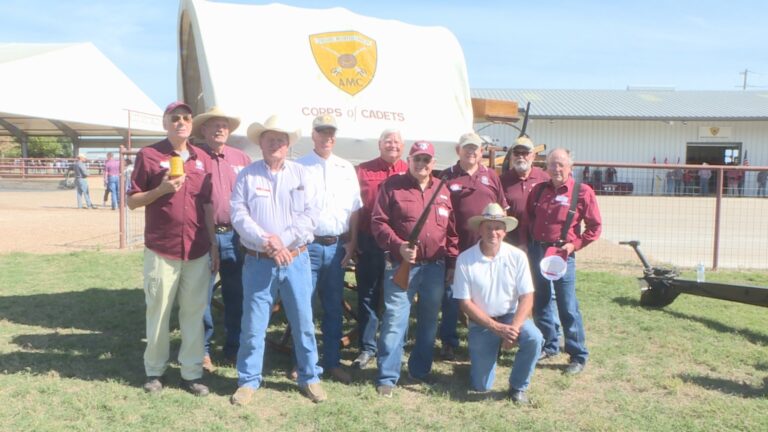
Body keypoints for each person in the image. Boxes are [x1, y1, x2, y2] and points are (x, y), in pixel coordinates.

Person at [229, 115, 326, 405]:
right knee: (254, 323)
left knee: (303, 322)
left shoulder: (301, 175)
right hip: (259, 260)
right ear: (260, 142)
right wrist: (266, 241)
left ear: (288, 145)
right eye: (270, 138)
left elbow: (310, 216)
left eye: (281, 140)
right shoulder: (247, 175)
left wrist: (280, 241)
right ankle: (248, 381)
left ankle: (310, 377)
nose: (275, 143)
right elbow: (238, 214)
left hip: (295, 259)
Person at [128, 101, 218, 397]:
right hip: (161, 249)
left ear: (192, 124)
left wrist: (213, 243)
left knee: (194, 313)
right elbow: (132, 200)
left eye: (186, 118)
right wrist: (161, 191)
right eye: (175, 118)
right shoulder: (149, 155)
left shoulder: (202, 158)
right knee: (159, 311)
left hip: (197, 249)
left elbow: (206, 205)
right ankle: (155, 371)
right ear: (166, 123)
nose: (181, 122)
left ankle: (191, 373)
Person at [371, 140, 458, 397]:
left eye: (426, 159)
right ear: (409, 160)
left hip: (435, 267)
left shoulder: (443, 190)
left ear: (433, 163)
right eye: (417, 159)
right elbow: (378, 223)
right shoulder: (392, 186)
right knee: (395, 321)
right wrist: (398, 246)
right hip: (401, 265)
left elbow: (451, 233)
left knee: (429, 322)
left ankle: (420, 370)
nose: (421, 164)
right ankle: (387, 376)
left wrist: (452, 264)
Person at [453, 203, 543, 405]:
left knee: (535, 338)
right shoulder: (465, 259)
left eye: (497, 228)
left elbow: (527, 296)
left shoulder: (517, 256)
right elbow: (464, 303)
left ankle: (518, 387)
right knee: (481, 386)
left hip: (511, 317)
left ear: (504, 231)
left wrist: (514, 329)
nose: (493, 232)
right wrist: (495, 328)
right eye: (488, 227)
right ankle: (480, 361)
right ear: (480, 229)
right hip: (482, 323)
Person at [297, 114, 362, 384]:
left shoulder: (346, 168)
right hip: (308, 247)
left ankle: (332, 361)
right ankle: (304, 363)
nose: (327, 137)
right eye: (322, 133)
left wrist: (353, 242)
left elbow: (355, 208)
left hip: (336, 247)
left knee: (334, 308)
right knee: (304, 308)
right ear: (313, 135)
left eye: (331, 133)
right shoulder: (299, 167)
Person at [527, 148, 602, 375]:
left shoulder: (582, 192)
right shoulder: (539, 190)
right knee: (540, 301)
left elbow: (594, 227)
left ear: (571, 166)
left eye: (561, 164)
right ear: (546, 167)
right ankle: (549, 345)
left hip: (563, 255)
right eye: (552, 164)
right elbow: (531, 218)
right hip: (538, 252)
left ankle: (577, 354)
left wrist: (573, 245)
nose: (556, 169)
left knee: (567, 305)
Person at [192, 106, 252, 371]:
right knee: (201, 298)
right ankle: (202, 350)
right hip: (204, 236)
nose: (219, 129)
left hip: (238, 237)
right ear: (203, 129)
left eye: (224, 125)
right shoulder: (193, 158)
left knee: (236, 294)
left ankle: (234, 347)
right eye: (214, 124)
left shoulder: (242, 159)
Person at [438, 132, 507, 361]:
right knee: (451, 296)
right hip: (456, 247)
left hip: (486, 247)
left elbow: (502, 211)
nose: (472, 152)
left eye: (475, 148)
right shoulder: (447, 176)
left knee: (486, 293)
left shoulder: (491, 176)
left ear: (481, 151)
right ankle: (448, 341)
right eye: (467, 148)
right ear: (458, 150)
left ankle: (488, 337)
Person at [352, 129, 408, 370]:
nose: (392, 145)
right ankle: (367, 347)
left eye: (396, 142)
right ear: (379, 144)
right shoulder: (363, 170)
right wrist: (352, 240)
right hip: (369, 241)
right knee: (368, 295)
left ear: (403, 146)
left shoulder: (412, 169)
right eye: (388, 141)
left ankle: (396, 347)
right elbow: (354, 208)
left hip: (400, 244)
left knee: (399, 297)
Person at [500, 137, 550, 251]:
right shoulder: (502, 181)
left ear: (533, 156)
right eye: (517, 153)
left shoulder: (544, 178)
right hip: (511, 241)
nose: (520, 157)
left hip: (538, 242)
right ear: (511, 156)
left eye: (525, 153)